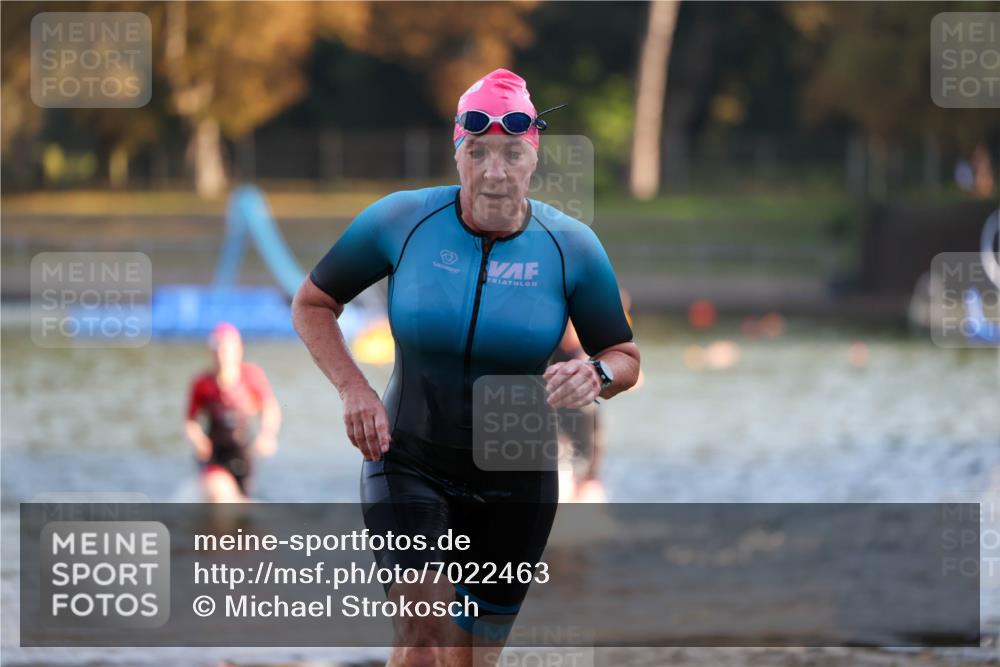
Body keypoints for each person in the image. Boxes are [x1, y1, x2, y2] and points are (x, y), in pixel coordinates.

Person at [292, 68, 640, 667]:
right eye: (477, 153)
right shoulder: (401, 222)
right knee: (423, 635)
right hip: (408, 456)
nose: (494, 172)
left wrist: (597, 375)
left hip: (517, 479)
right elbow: (313, 303)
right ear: (458, 153)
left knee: (471, 659)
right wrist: (354, 388)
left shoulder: (571, 246)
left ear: (533, 159)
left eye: (511, 154)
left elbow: (625, 357)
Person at [184, 322, 281, 503]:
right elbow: (190, 421)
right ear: (211, 352)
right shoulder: (202, 383)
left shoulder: (252, 376)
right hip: (213, 453)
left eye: (227, 349)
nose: (223, 355)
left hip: (243, 454)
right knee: (219, 495)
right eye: (218, 349)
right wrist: (197, 439)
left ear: (239, 350)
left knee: (240, 507)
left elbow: (270, 408)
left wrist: (267, 435)